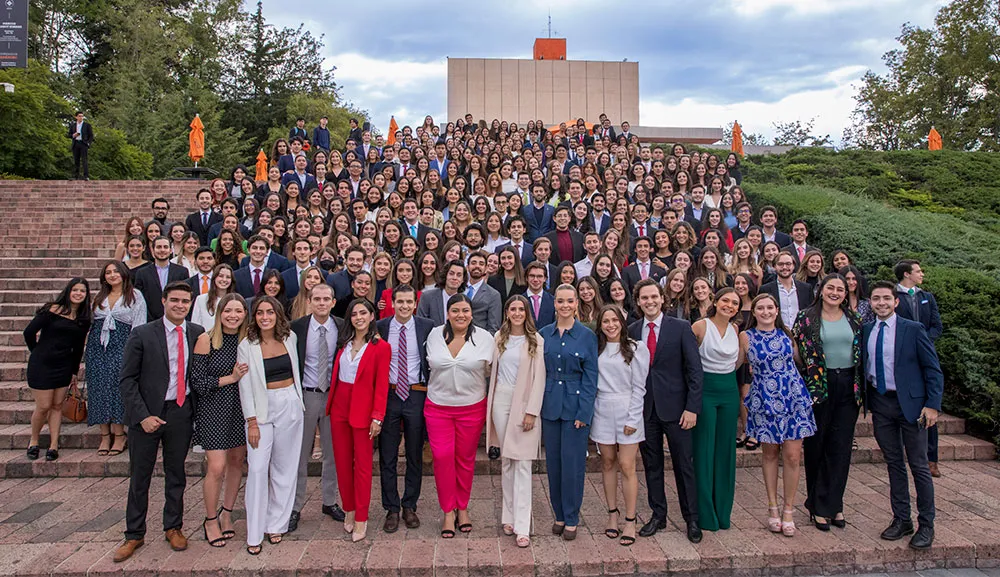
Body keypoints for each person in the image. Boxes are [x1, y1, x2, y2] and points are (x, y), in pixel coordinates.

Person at [115, 282, 204, 563]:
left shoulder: (196, 333)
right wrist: (142, 416)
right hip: (147, 414)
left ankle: (173, 526)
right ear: (164, 301)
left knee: (176, 474)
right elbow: (127, 379)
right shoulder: (143, 334)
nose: (180, 305)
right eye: (175, 300)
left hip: (180, 410)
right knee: (140, 476)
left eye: (185, 301)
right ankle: (134, 533)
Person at [864, 281, 943, 550]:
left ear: (896, 302)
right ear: (870, 303)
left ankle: (926, 525)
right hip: (881, 404)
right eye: (876, 299)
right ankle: (901, 519)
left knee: (919, 465)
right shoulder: (866, 331)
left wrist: (932, 405)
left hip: (911, 406)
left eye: (887, 298)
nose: (882, 303)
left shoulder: (913, 329)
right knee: (894, 463)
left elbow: (932, 369)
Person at [629, 279, 703, 543]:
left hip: (677, 410)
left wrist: (692, 408)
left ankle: (692, 518)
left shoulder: (681, 328)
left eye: (653, 297)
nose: (649, 302)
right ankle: (658, 515)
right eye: (644, 298)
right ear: (638, 302)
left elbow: (695, 371)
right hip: (646, 410)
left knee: (685, 465)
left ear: (662, 299)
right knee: (652, 466)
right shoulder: (633, 330)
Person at [791, 274, 863, 532]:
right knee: (816, 445)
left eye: (840, 289)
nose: (835, 292)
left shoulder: (854, 318)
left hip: (848, 385)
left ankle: (834, 502)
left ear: (846, 293)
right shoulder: (806, 317)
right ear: (821, 290)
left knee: (840, 447)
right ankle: (818, 505)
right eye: (830, 288)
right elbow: (796, 352)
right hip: (818, 386)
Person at [741, 293, 816, 537]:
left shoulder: (787, 334)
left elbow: (800, 361)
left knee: (793, 456)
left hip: (793, 397)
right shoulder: (745, 336)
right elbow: (734, 365)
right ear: (754, 313)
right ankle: (772, 506)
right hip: (765, 399)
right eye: (760, 308)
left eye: (769, 307)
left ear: (776, 310)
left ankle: (788, 510)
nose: (765, 312)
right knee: (770, 453)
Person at [237, 296, 304, 555]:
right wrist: (251, 420)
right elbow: (245, 385)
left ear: (278, 315)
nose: (265, 317)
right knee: (256, 469)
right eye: (260, 313)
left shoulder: (290, 338)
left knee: (285, 468)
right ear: (254, 316)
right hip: (261, 411)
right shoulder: (247, 345)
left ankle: (276, 523)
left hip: (289, 403)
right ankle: (254, 533)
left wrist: (297, 403)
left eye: (270, 312)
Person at [425, 294, 495, 538]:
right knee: (442, 457)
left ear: (471, 313)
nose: (460, 315)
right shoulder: (434, 335)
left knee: (465, 460)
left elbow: (497, 370)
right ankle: (447, 510)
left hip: (471, 407)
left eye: (465, 310)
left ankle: (462, 507)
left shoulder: (485, 339)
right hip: (437, 407)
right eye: (455, 310)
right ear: (447, 313)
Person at [325, 298, 390, 542]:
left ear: (372, 316)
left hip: (364, 409)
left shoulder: (381, 347)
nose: (359, 317)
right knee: (342, 463)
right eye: (354, 314)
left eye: (364, 313)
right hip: (340, 404)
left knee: (362, 466)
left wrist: (377, 417)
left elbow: (382, 385)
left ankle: (362, 517)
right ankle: (349, 509)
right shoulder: (344, 342)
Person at [539, 284, 598, 541]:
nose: (564, 305)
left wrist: (584, 413)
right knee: (554, 465)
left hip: (575, 408)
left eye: (569, 301)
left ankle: (572, 517)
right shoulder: (544, 334)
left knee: (572, 465)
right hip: (550, 405)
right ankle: (559, 514)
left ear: (576, 304)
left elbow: (590, 378)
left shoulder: (587, 335)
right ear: (554, 304)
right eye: (560, 301)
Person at [485, 296, 545, 548]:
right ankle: (508, 517)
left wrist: (532, 411)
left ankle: (523, 525)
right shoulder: (499, 338)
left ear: (527, 313)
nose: (518, 313)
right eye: (513, 309)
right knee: (507, 461)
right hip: (500, 400)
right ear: (507, 312)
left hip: (524, 403)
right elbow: (491, 370)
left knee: (522, 463)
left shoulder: (536, 340)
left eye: (522, 309)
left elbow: (540, 378)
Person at [190, 293, 250, 548]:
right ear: (220, 312)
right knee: (216, 467)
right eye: (228, 310)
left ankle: (227, 513)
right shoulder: (206, 340)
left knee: (237, 462)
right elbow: (198, 383)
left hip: (240, 409)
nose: (233, 315)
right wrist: (230, 378)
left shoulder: (247, 341)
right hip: (213, 409)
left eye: (238, 311)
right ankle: (210, 519)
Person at [376, 285, 436, 532]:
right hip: (389, 395)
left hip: (416, 393)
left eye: (408, 302)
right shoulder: (380, 327)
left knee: (414, 453)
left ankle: (409, 504)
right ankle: (391, 507)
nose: (403, 306)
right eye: (399, 301)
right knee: (387, 455)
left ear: (414, 303)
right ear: (392, 303)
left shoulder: (427, 326)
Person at [288, 284, 347, 533]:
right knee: (299, 454)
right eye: (317, 299)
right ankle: (295, 506)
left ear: (333, 302)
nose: (322, 303)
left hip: (334, 396)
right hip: (307, 395)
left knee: (332, 453)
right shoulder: (296, 328)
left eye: (326, 299)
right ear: (309, 301)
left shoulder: (343, 326)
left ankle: (329, 501)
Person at [591, 305, 649, 547]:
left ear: (622, 323)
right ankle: (612, 514)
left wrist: (633, 418)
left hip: (627, 408)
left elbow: (640, 386)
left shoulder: (636, 348)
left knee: (627, 465)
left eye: (615, 320)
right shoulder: (596, 348)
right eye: (606, 321)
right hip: (602, 409)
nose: (611, 325)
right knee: (607, 462)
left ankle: (630, 519)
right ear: (600, 324)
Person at [690, 287, 744, 532]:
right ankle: (705, 513)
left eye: (735, 303)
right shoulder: (700, 327)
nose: (729, 306)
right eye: (725, 300)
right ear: (716, 301)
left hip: (729, 392)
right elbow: (689, 363)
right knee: (704, 450)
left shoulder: (735, 329)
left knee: (725, 451)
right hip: (705, 391)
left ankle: (723, 512)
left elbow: (737, 362)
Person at [23, 278, 92, 462]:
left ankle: (54, 444)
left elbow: (78, 348)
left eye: (82, 291)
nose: (78, 293)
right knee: (44, 405)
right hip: (42, 365)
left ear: (86, 295)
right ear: (68, 291)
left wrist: (74, 372)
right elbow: (28, 332)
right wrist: (37, 352)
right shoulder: (51, 310)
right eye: (75, 290)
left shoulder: (83, 319)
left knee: (57, 406)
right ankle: (34, 440)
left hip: (64, 366)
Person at [87, 261, 147, 456]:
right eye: (108, 272)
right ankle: (104, 434)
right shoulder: (99, 297)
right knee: (98, 388)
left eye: (115, 272)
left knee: (117, 387)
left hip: (123, 345)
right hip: (98, 348)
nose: (112, 275)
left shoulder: (135, 295)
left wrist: (134, 351)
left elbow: (139, 325)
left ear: (123, 274)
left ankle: (120, 434)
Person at [893, 259, 944, 477]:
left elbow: (936, 325)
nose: (921, 274)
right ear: (906, 274)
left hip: (923, 353)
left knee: (928, 405)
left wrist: (923, 340)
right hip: (902, 357)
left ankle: (931, 458)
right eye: (918, 271)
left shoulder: (926, 297)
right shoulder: (893, 297)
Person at [133, 237, 192, 321]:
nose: (162, 250)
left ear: (171, 250)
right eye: (159, 247)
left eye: (165, 247)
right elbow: (139, 299)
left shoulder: (182, 271)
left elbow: (186, 296)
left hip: (175, 319)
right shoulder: (142, 273)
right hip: (149, 320)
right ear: (152, 250)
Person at [760, 252, 814, 330]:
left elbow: (811, 313)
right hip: (776, 333)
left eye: (788, 264)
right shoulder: (765, 289)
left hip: (801, 334)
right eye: (780, 264)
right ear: (774, 266)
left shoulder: (806, 288)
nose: (784, 267)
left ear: (793, 266)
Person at [416, 259, 467, 326]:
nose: (455, 278)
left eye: (459, 275)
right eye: (451, 273)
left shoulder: (465, 301)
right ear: (445, 275)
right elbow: (420, 324)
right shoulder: (427, 297)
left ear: (463, 279)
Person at [466, 250, 503, 333]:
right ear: (467, 267)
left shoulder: (493, 295)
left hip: (479, 340)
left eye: (481, 264)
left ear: (486, 269)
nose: (477, 266)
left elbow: (494, 327)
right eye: (473, 263)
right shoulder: (458, 289)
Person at [191, 264, 235, 332]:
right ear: (214, 278)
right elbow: (195, 324)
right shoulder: (201, 299)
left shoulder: (235, 300)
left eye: (228, 277)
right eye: (220, 276)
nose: (224, 279)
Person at [68, 111, 94, 180]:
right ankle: (76, 176)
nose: (81, 117)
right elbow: (69, 134)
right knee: (76, 160)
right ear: (76, 117)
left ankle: (86, 176)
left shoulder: (87, 125)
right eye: (79, 116)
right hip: (76, 143)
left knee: (84, 160)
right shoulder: (73, 125)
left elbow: (91, 135)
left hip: (83, 143)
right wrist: (73, 135)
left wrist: (88, 143)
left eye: (82, 116)